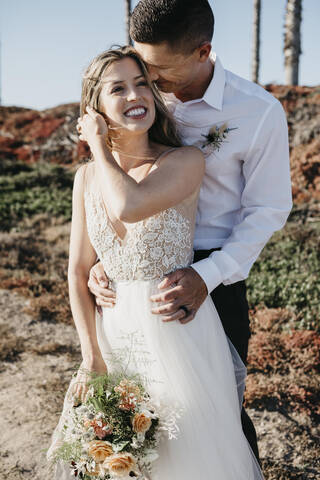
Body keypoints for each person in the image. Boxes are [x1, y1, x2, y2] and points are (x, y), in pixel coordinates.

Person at [88, 0, 293, 467]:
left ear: (203, 52)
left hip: (213, 276)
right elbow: (125, 179)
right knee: (136, 409)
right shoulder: (143, 95)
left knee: (217, 414)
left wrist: (209, 274)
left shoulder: (258, 112)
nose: (147, 82)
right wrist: (113, 255)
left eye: (157, 70)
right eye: (141, 66)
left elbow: (269, 209)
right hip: (136, 281)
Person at [46, 45, 264, 479]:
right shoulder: (85, 178)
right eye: (119, 88)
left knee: (190, 457)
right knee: (118, 459)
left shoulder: (183, 160)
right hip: (115, 335)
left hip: (177, 334)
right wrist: (92, 357)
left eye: (142, 83)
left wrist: (97, 144)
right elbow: (76, 268)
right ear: (97, 105)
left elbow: (130, 204)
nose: (136, 95)